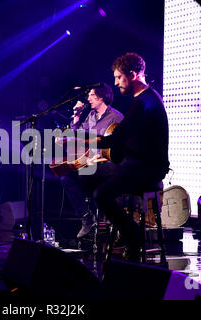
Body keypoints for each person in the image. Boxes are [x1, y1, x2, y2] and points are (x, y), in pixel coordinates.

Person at [80, 52, 170, 260]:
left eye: (119, 78)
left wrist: (84, 140)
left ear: (133, 75)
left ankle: (132, 234)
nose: (116, 83)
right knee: (91, 176)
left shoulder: (142, 102)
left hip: (146, 169)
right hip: (144, 165)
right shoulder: (149, 97)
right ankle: (118, 229)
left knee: (100, 194)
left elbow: (116, 138)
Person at [59, 83, 124, 238]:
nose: (88, 98)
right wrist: (76, 115)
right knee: (65, 177)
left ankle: (104, 213)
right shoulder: (91, 116)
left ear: (101, 97)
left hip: (111, 163)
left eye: (91, 95)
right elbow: (77, 135)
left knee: (84, 175)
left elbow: (119, 148)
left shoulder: (116, 117)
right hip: (92, 163)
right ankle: (87, 216)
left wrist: (97, 157)